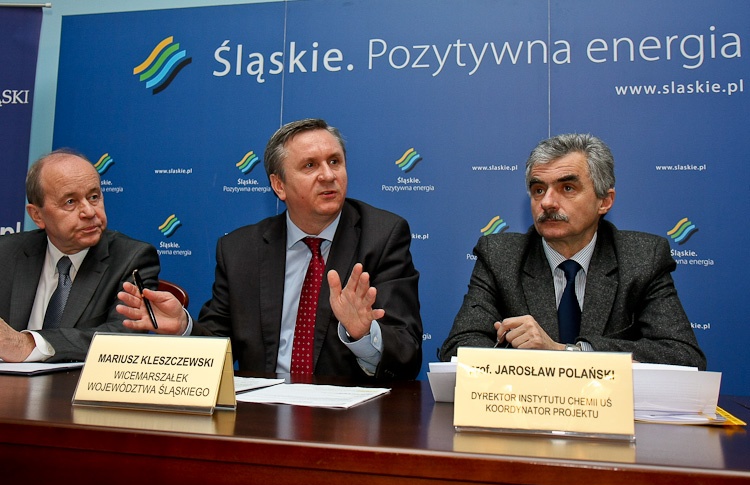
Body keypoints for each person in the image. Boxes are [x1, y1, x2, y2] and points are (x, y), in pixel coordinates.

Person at [118, 118, 423, 381]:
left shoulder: (382, 236)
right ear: (279, 186)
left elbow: (407, 353)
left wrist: (363, 334)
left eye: (335, 161)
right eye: (310, 165)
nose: (328, 175)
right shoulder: (240, 250)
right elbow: (218, 345)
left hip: (348, 417)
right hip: (262, 414)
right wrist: (184, 327)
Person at [440, 133, 706, 369]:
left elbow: (683, 356)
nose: (547, 202)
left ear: (605, 201)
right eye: (538, 190)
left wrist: (565, 352)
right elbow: (458, 349)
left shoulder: (642, 258)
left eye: (567, 188)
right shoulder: (500, 256)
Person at [0, 149, 160, 363]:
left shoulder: (131, 258)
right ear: (37, 215)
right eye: (70, 202)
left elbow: (123, 337)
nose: (89, 212)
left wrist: (29, 345)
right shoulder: (7, 252)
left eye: (94, 197)